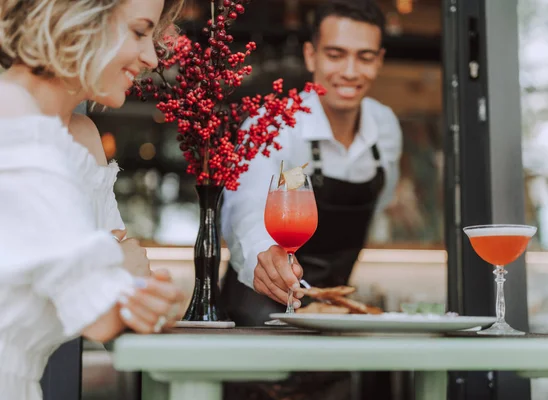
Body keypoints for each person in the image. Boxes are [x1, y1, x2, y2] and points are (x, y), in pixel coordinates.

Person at [0, 0, 185, 398]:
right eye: (139, 32)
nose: (153, 58)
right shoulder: (13, 119)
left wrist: (128, 287)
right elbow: (102, 309)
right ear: (76, 18)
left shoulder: (71, 136)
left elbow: (117, 283)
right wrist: (125, 282)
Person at [221, 0, 402, 326]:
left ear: (380, 61)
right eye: (335, 55)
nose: (350, 71)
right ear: (310, 55)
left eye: (365, 57)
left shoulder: (386, 127)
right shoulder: (276, 124)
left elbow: (382, 202)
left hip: (331, 315)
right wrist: (264, 257)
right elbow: (244, 210)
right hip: (260, 314)